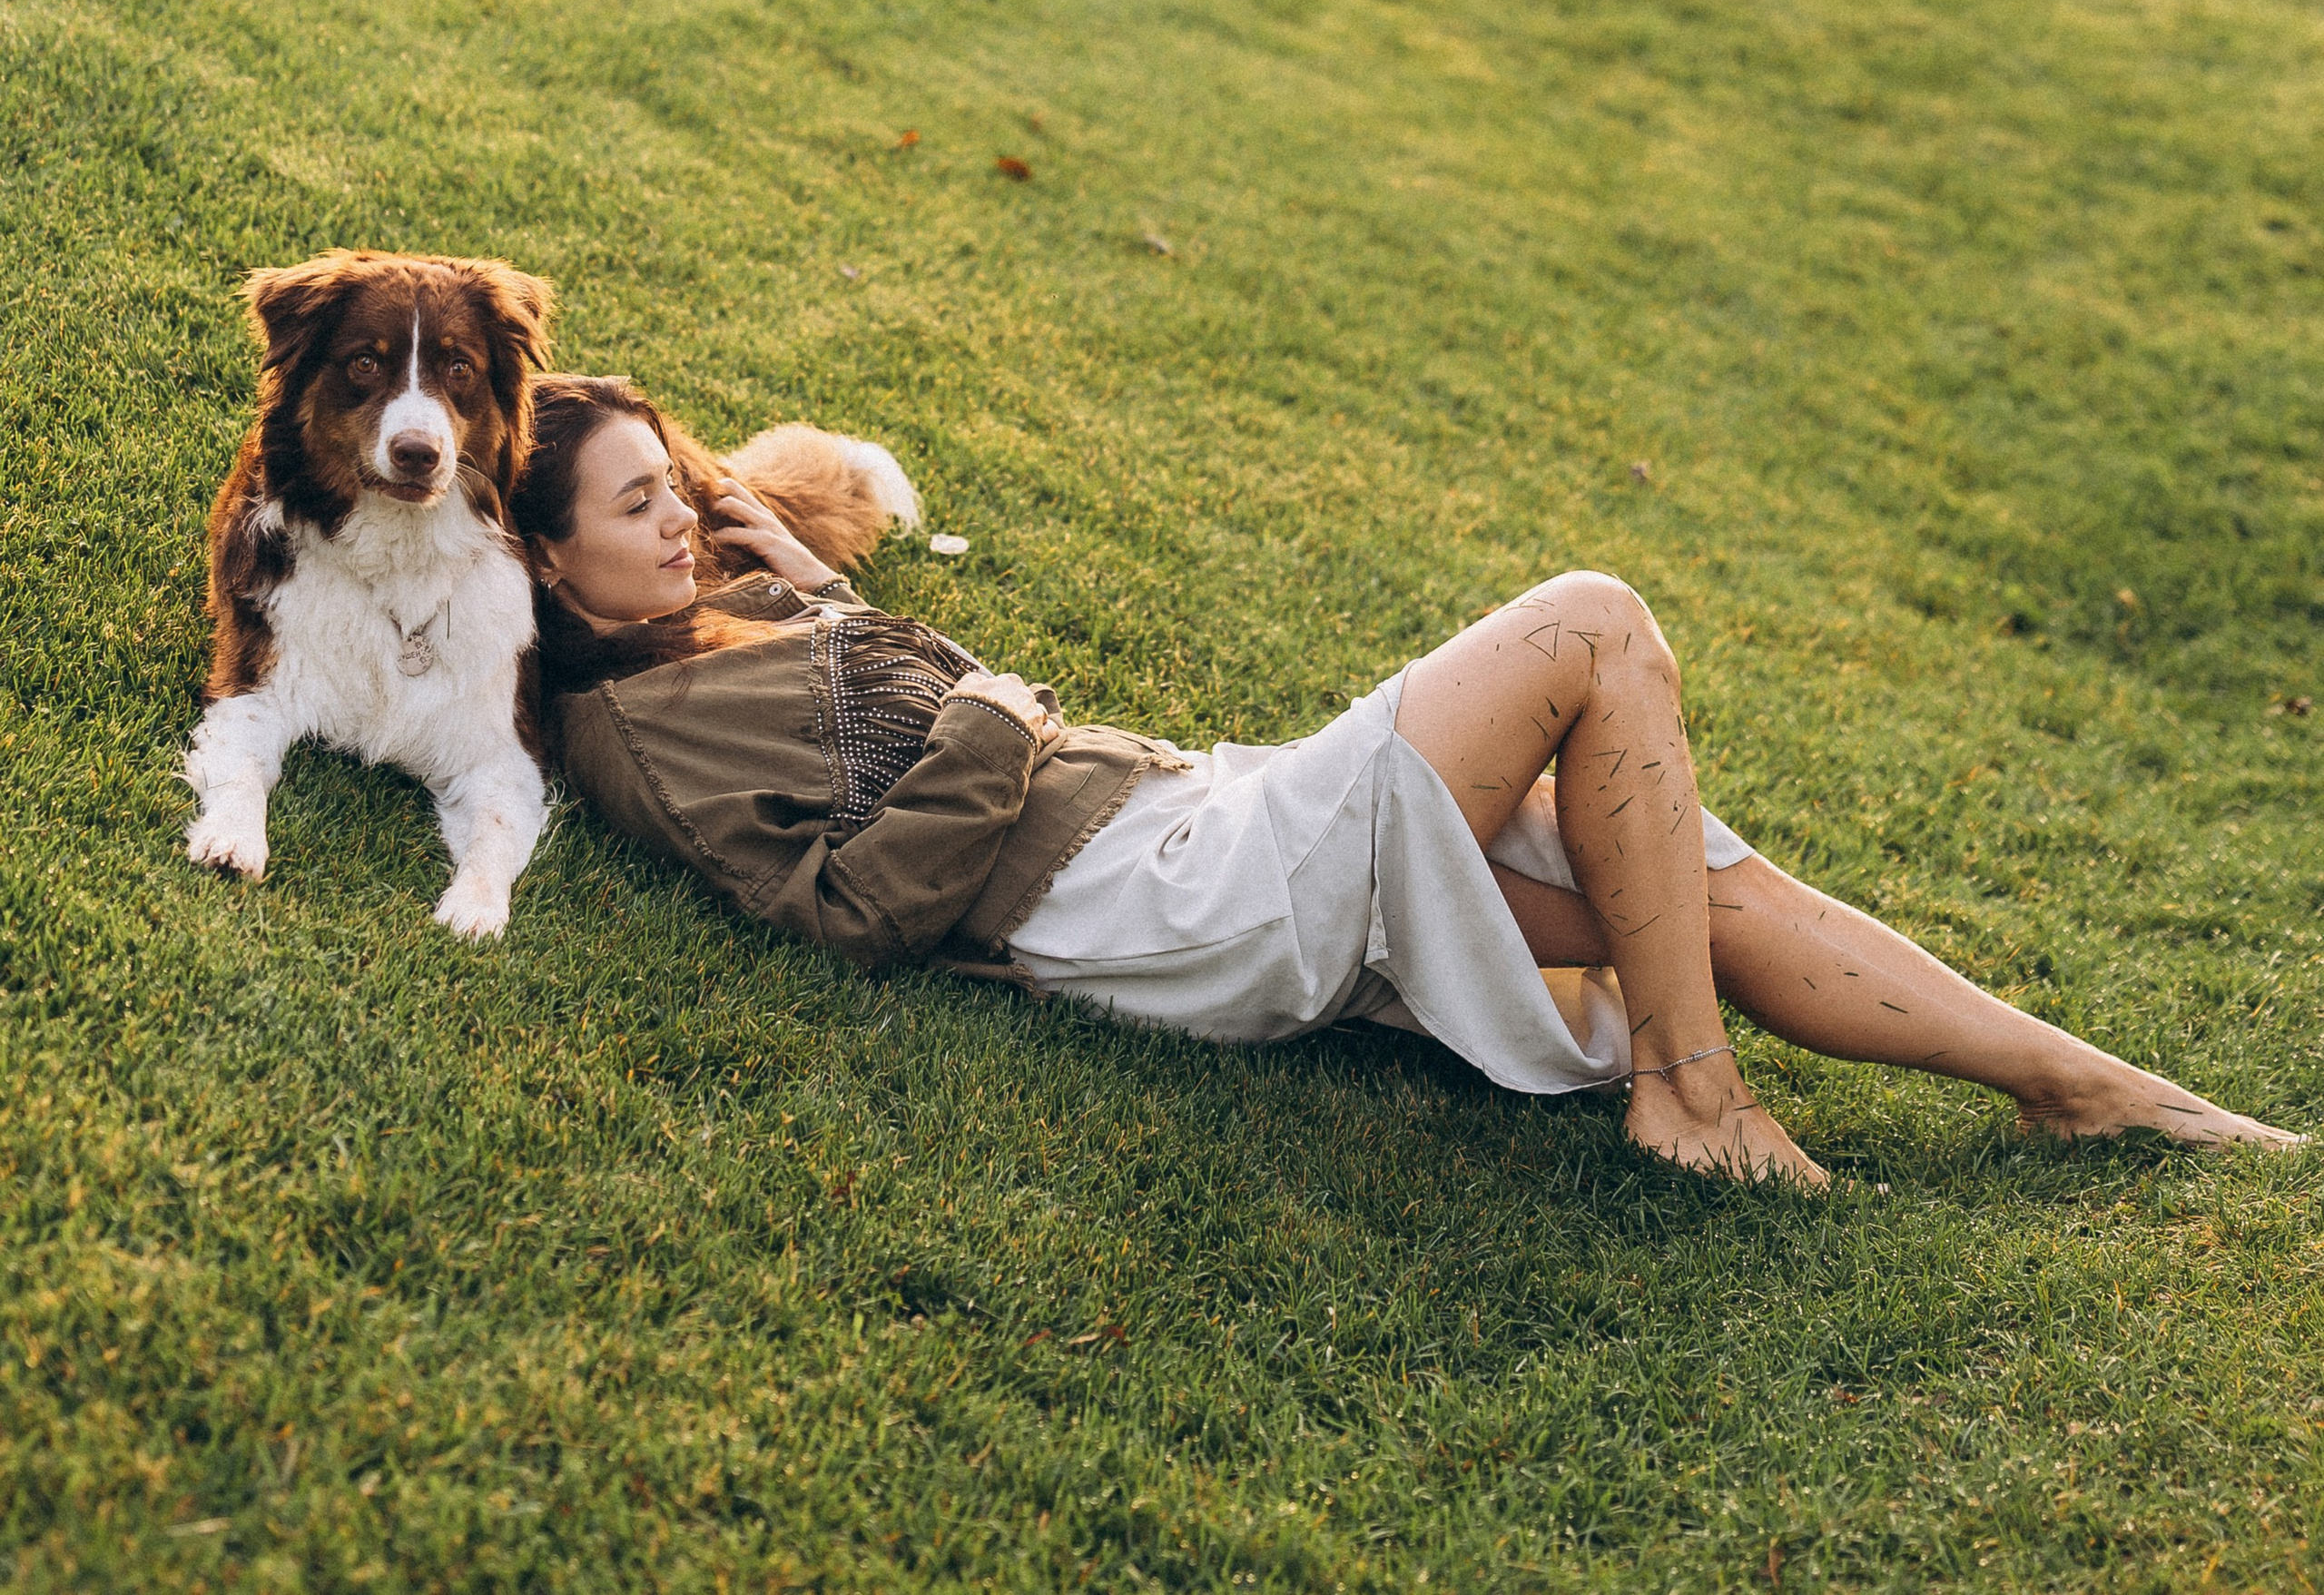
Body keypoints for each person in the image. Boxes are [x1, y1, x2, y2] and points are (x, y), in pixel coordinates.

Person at [512, 377, 2301, 1186]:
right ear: (544, 564)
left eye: (674, 480)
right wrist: (984, 704)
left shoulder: (730, 626)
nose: (682, 517)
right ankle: (1684, 1089)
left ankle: (2087, 1088)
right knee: (1590, 626)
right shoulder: (632, 736)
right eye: (636, 507)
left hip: (1182, 817)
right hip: (1143, 898)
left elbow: (879, 712)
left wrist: (826, 599)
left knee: (1670, 871)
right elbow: (853, 915)